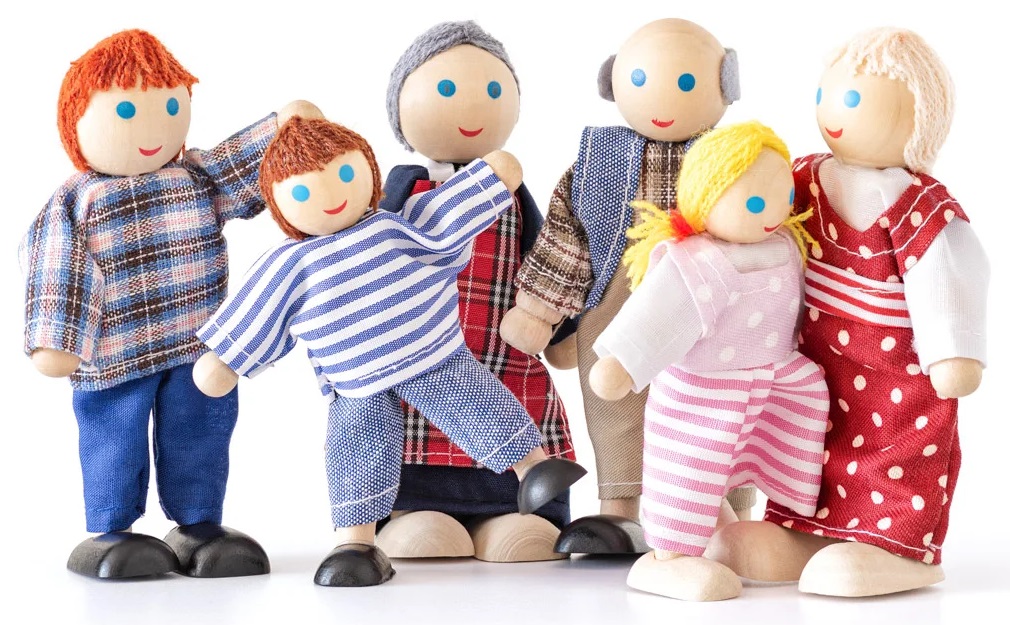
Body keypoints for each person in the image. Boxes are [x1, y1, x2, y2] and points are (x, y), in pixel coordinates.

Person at [193, 116, 586, 586]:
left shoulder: (394, 225)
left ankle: (536, 468)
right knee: (357, 447)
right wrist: (224, 360)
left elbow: (444, 214)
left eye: (344, 173)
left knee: (480, 402)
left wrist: (490, 180)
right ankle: (356, 541)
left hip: (432, 351)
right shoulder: (291, 262)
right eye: (302, 190)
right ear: (279, 203)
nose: (331, 194)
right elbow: (257, 310)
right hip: (357, 382)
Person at [19, 29, 313, 579]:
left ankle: (199, 524)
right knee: (114, 439)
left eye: (172, 106)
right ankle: (112, 530)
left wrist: (281, 132)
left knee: (201, 432)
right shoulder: (78, 199)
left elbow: (237, 166)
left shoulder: (193, 178)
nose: (155, 127)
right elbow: (58, 263)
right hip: (115, 353)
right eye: (128, 110)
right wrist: (57, 338)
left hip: (195, 345)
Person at [708, 27, 989, 598]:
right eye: (827, 94)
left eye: (853, 98)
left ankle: (899, 548)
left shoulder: (920, 206)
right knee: (807, 450)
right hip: (814, 368)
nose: (834, 110)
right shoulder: (804, 176)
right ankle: (802, 534)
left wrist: (953, 350)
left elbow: (950, 273)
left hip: (896, 383)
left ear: (918, 114)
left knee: (895, 459)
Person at [500, 18, 755, 553]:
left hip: (710, 299)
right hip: (619, 292)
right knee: (615, 401)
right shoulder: (598, 163)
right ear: (612, 81)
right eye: (638, 80)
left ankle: (723, 509)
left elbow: (767, 228)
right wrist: (541, 309)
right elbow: (568, 236)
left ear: (725, 84)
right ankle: (619, 507)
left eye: (686, 83)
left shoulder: (739, 159)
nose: (661, 98)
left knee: (718, 401)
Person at [590, 122, 829, 601]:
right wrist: (623, 361)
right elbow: (659, 315)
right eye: (756, 203)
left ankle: (726, 529)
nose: (773, 213)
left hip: (773, 385)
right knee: (688, 473)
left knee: (745, 464)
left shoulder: (787, 246)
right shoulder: (696, 261)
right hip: (703, 394)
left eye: (783, 198)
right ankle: (667, 558)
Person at [378, 20, 576, 562]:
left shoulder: (513, 197)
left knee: (518, 421)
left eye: (493, 89)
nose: (472, 106)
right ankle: (414, 512)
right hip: (421, 362)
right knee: (409, 426)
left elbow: (551, 259)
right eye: (445, 89)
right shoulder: (403, 192)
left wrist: (564, 334)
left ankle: (516, 514)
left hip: (503, 356)